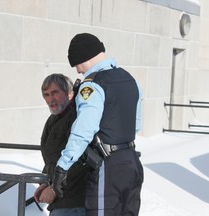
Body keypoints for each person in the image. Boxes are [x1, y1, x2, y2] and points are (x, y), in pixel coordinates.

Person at [52, 33, 144, 216]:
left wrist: (62, 167)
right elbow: (135, 125)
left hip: (108, 168)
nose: (78, 71)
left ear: (82, 57)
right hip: (132, 164)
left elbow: (83, 131)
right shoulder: (130, 79)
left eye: (76, 65)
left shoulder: (92, 85)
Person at [34, 74, 88, 216]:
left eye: (54, 93)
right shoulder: (53, 120)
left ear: (69, 93)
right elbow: (52, 159)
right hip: (61, 200)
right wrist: (45, 181)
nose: (50, 99)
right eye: (46, 95)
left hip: (76, 201)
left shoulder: (76, 118)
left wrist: (53, 188)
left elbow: (80, 160)